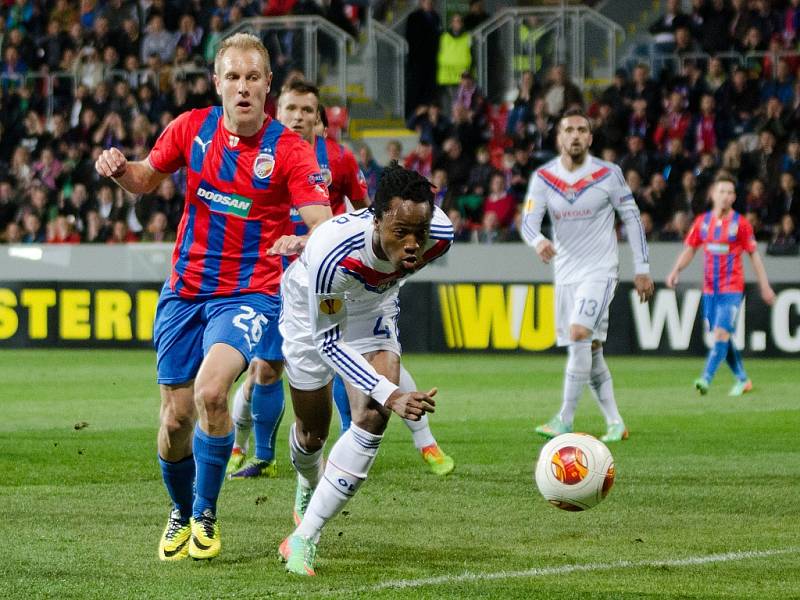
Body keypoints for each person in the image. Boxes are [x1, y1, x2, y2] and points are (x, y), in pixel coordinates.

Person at [94, 33, 332, 562]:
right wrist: (117, 168)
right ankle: (180, 512)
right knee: (175, 421)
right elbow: (145, 178)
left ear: (268, 85)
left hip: (251, 293)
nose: (243, 87)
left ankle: (205, 513)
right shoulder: (191, 127)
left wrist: (308, 238)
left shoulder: (289, 148)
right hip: (184, 291)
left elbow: (323, 220)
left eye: (253, 77)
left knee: (212, 393)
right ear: (217, 82)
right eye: (233, 77)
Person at [277, 164, 453, 575]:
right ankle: (307, 482)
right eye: (400, 233)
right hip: (314, 313)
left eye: (419, 233)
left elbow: (408, 260)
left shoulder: (439, 236)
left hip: (373, 309)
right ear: (376, 220)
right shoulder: (331, 251)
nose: (412, 244)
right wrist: (393, 392)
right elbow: (329, 342)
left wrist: (384, 395)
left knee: (373, 415)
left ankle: (304, 538)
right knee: (312, 432)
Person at [226, 79, 368, 479]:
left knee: (341, 363)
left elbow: (365, 214)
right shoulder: (257, 155)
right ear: (278, 112)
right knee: (267, 368)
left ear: (318, 119)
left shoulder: (338, 160)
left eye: (308, 110)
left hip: (325, 280)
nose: (299, 117)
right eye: (291, 109)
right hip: (270, 278)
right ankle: (264, 458)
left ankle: (347, 446)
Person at [521, 108, 654, 443]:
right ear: (559, 137)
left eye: (582, 130)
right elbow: (528, 222)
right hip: (565, 273)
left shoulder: (609, 174)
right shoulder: (544, 178)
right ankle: (615, 422)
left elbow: (633, 219)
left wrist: (642, 268)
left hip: (600, 270)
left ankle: (564, 419)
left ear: (590, 138)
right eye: (569, 130)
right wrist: (538, 241)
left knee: (579, 333)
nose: (576, 135)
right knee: (591, 348)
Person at [666, 174, 776, 396]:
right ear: (713, 194)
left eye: (729, 192)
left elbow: (754, 256)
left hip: (732, 289)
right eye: (722, 191)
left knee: (720, 335)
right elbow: (690, 249)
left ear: (734, 197)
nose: (725, 196)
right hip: (710, 290)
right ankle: (743, 379)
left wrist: (765, 286)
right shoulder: (702, 222)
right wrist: (676, 270)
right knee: (723, 336)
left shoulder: (741, 224)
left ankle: (706, 378)